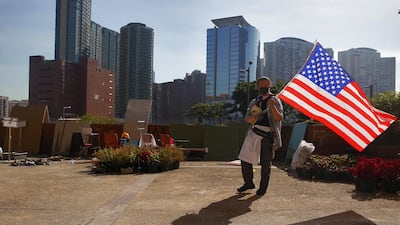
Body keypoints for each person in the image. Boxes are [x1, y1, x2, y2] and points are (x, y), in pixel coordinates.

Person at [237, 76, 283, 196]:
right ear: (258, 86)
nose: (263, 87)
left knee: (265, 162)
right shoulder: (254, 101)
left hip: (267, 135)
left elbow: (279, 118)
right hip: (253, 132)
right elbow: (247, 119)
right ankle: (248, 182)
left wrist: (272, 107)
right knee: (245, 158)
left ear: (269, 85)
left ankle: (263, 188)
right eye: (261, 85)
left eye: (266, 85)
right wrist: (253, 118)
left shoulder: (275, 100)